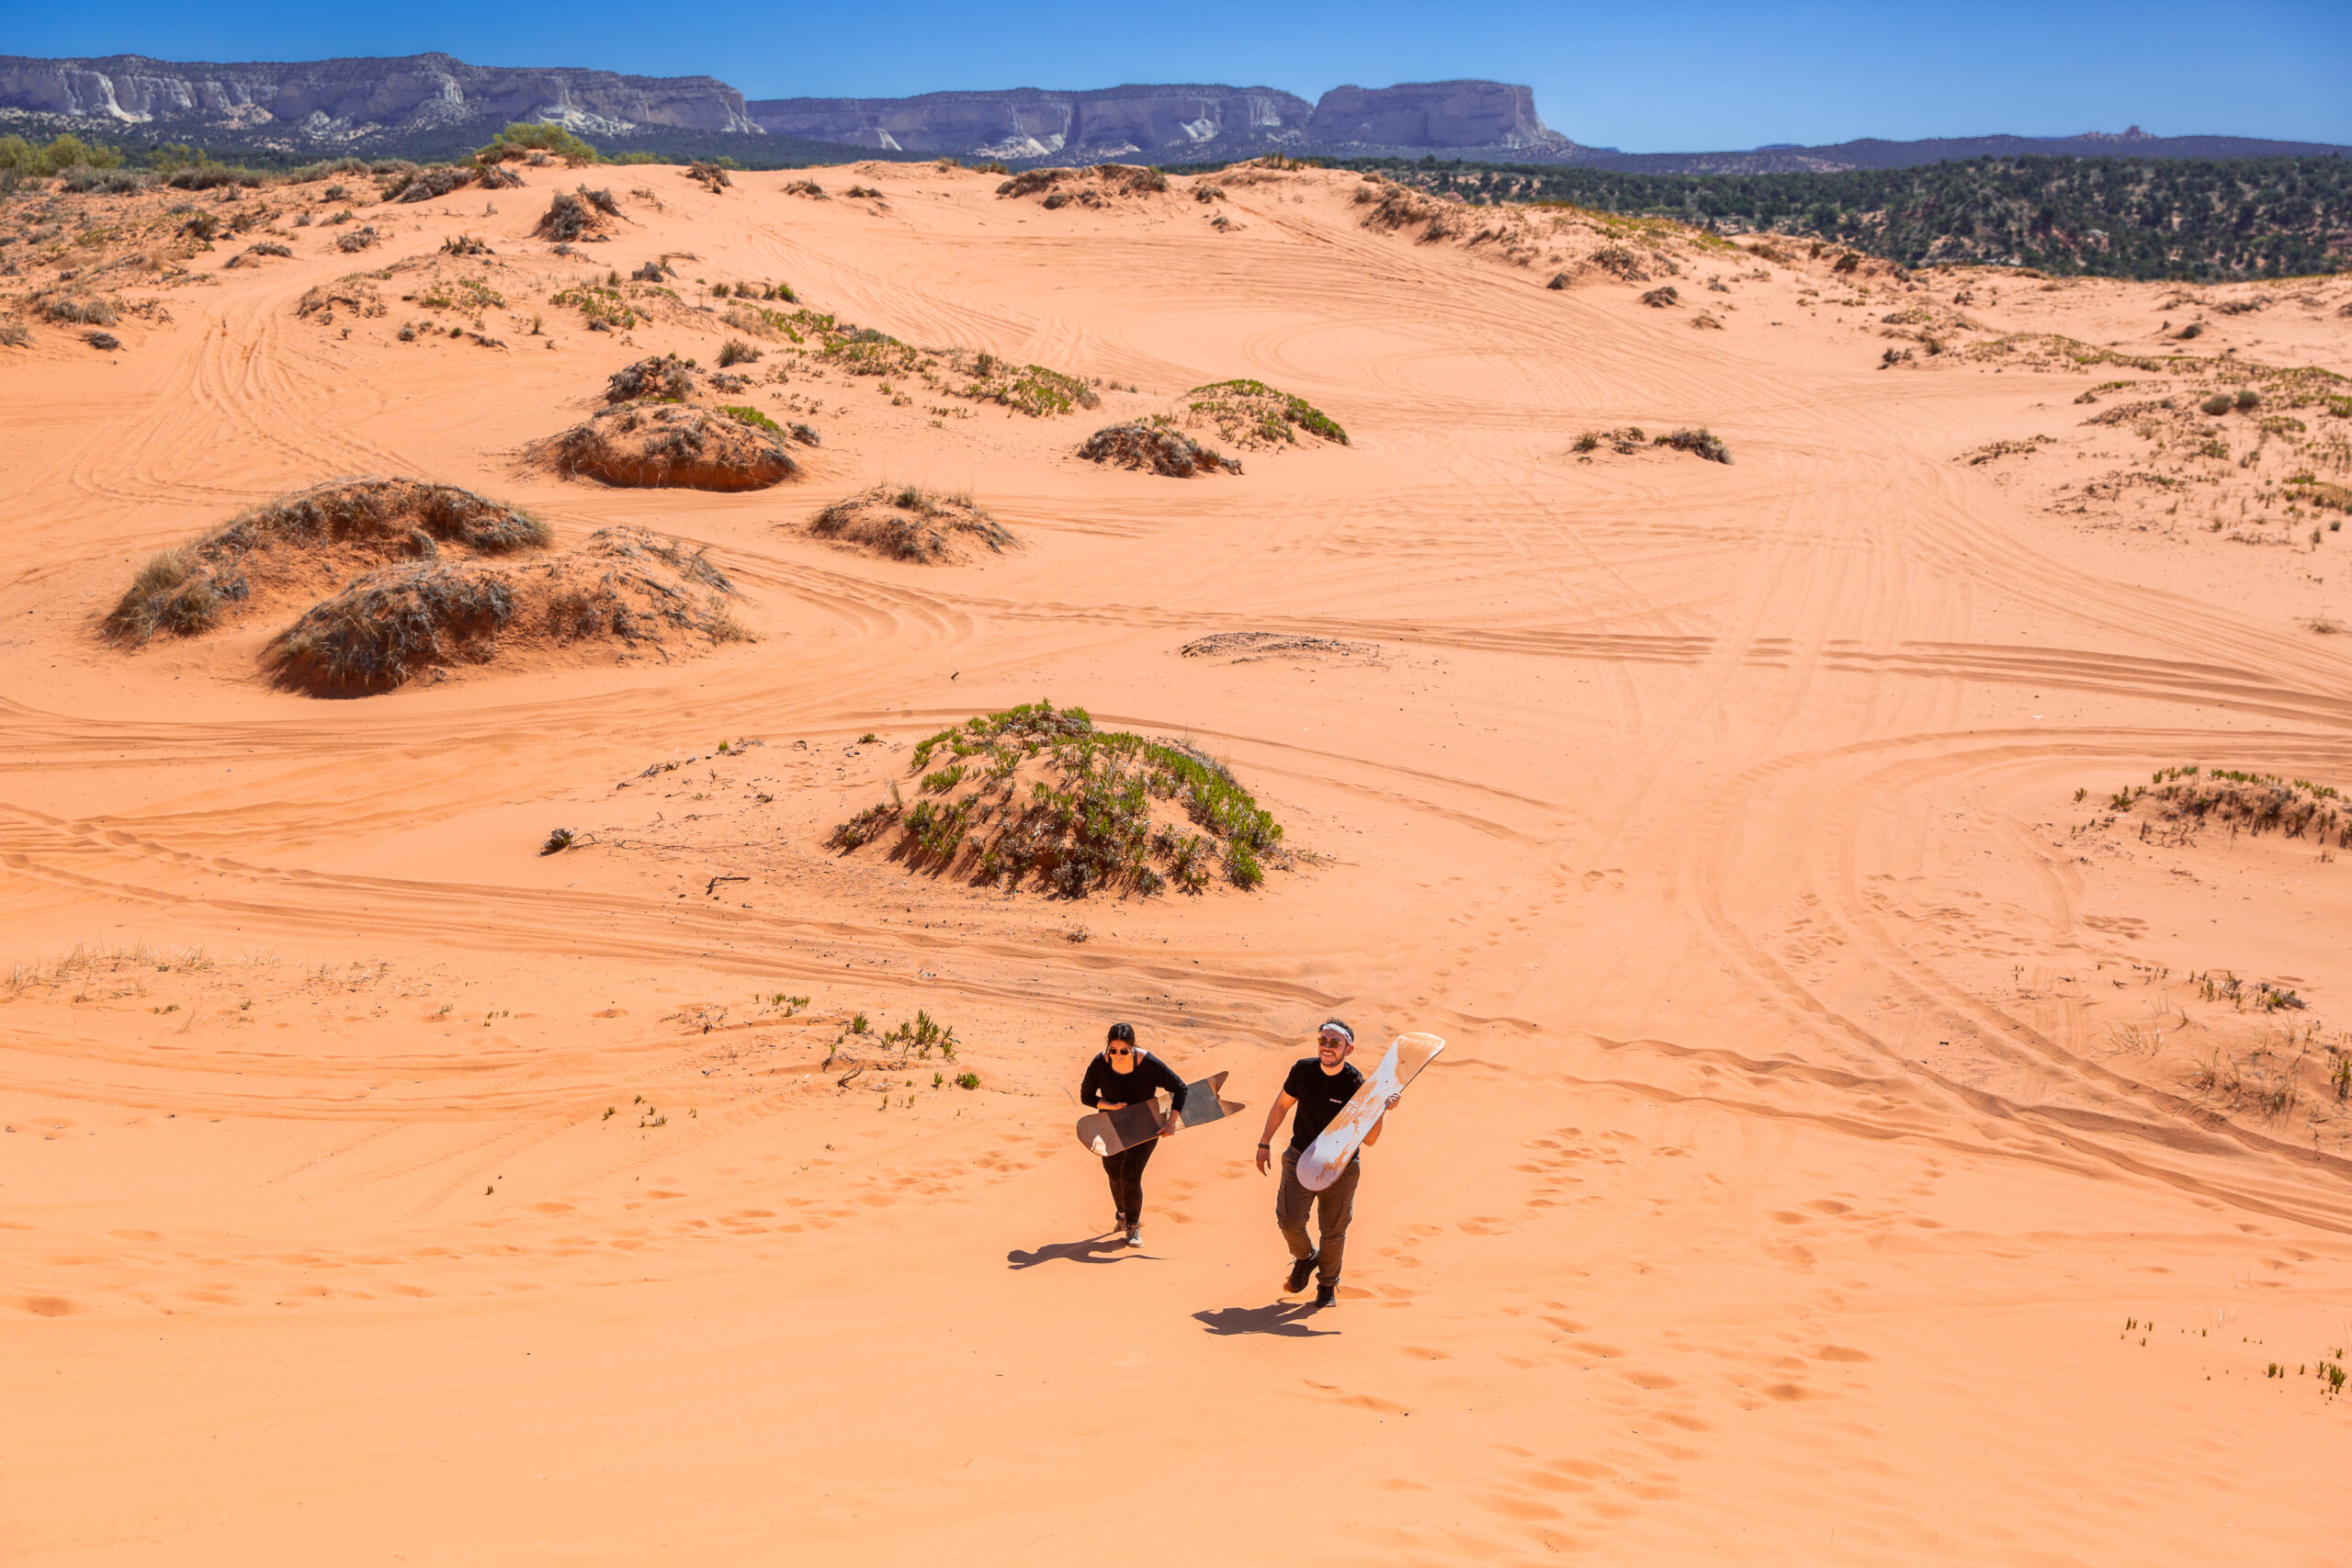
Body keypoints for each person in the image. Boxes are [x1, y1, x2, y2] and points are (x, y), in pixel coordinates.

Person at [1255, 1018, 1395, 1308]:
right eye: (1323, 1041)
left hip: (1340, 1165)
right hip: (1299, 1156)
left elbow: (1369, 1140)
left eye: (1334, 1043)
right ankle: (1307, 1258)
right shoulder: (1302, 1070)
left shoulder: (1356, 1083)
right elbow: (1282, 1105)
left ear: (1349, 1048)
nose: (1327, 1048)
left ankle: (1327, 1286)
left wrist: (1379, 1108)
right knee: (1289, 1220)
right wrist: (1264, 1142)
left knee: (1333, 1230)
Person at [1078, 1022, 1187, 1247]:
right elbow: (1086, 1096)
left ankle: (1133, 1229)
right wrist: (1111, 1106)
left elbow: (1180, 1087)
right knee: (1114, 1174)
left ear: (1132, 1047)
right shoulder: (1100, 1063)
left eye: (1123, 1051)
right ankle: (1122, 1215)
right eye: (1113, 1050)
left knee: (1130, 1175)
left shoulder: (1148, 1064)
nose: (1118, 1055)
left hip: (1145, 1126)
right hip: (1110, 1125)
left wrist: (1171, 1122)